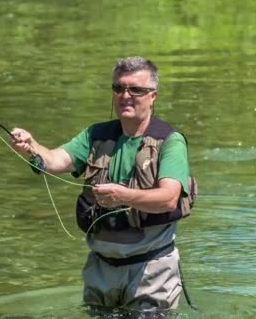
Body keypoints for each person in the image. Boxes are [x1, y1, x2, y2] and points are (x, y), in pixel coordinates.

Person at [10, 56, 196, 314]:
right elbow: (54, 160)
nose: (125, 95)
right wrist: (32, 147)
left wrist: (122, 195)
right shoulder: (95, 135)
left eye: (136, 90)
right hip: (101, 269)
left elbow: (168, 198)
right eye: (118, 88)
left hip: (151, 270)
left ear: (153, 95)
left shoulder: (170, 141)